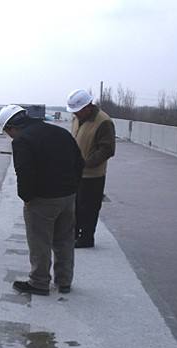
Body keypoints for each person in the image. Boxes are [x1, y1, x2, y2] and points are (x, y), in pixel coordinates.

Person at [0, 104, 84, 296]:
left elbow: (24, 173)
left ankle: (39, 282)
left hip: (42, 200)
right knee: (64, 241)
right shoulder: (60, 132)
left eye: (7, 132)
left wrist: (27, 198)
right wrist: (72, 188)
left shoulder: (22, 141)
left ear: (12, 127)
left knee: (40, 242)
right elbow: (79, 162)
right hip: (68, 196)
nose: (10, 136)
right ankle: (64, 281)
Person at [66, 89, 116, 248]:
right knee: (74, 206)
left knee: (89, 207)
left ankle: (86, 238)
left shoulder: (103, 122)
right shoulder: (77, 118)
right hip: (75, 172)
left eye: (78, 111)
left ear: (88, 106)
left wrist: (85, 163)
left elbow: (107, 149)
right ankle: (73, 234)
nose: (76, 114)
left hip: (93, 175)